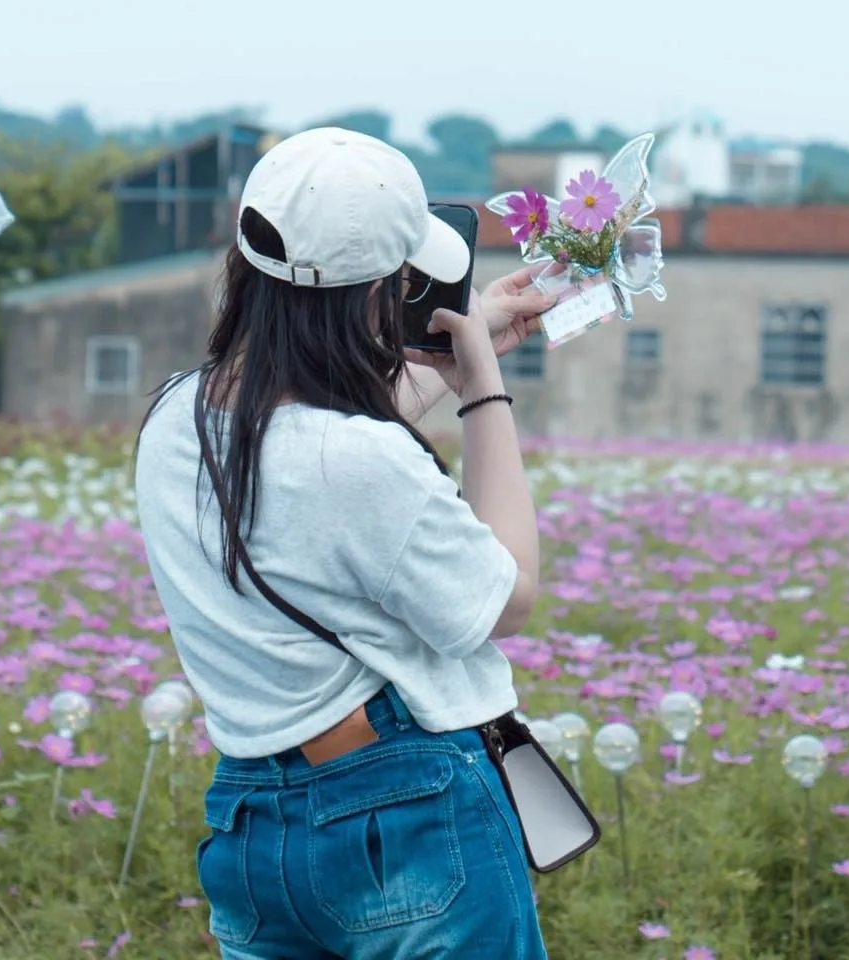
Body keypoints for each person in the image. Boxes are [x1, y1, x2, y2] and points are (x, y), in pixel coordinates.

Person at [133, 126, 552, 959]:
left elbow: (311, 462)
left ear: (248, 263)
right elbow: (506, 596)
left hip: (252, 822)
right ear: (385, 292)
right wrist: (484, 391)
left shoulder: (177, 416)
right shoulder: (357, 459)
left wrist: (476, 340)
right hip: (406, 810)